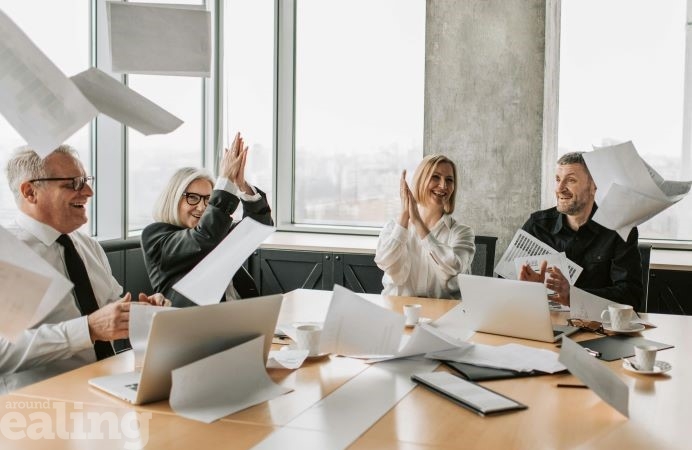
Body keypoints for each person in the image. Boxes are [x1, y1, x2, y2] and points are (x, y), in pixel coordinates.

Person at [1, 145, 168, 394]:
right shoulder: (8, 254)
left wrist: (142, 314)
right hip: (39, 407)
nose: (88, 192)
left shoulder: (87, 245)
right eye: (73, 183)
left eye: (86, 181)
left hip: (107, 387)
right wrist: (88, 329)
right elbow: (4, 352)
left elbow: (110, 310)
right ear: (30, 192)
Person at [141, 132, 273, 307]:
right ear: (173, 199)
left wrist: (241, 185)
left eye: (208, 200)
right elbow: (203, 238)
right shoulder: (155, 236)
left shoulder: (216, 230)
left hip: (243, 317)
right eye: (193, 198)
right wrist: (225, 181)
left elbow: (258, 227)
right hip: (196, 327)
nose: (202, 207)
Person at [519, 152, 643, 309]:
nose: (560, 188)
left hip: (597, 327)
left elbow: (631, 297)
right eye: (558, 179)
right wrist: (527, 289)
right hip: (543, 322)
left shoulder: (619, 229)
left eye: (571, 180)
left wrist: (573, 296)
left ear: (593, 186)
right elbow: (504, 282)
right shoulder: (537, 225)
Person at [374, 154, 475, 299]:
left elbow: (452, 267)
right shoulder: (392, 227)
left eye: (449, 180)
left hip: (444, 316)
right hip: (399, 313)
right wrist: (405, 215)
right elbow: (384, 261)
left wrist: (418, 223)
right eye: (435, 177)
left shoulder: (462, 233)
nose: (443, 186)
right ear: (421, 180)